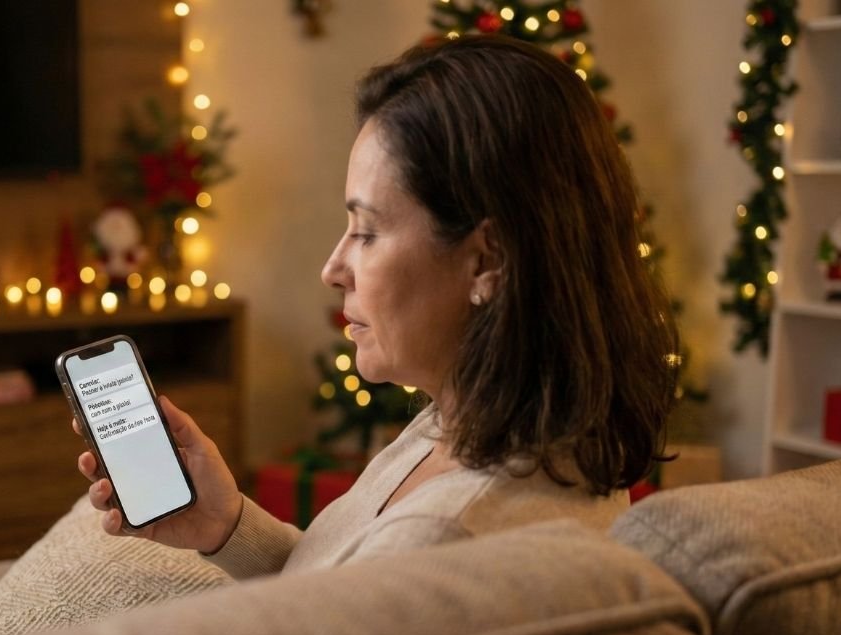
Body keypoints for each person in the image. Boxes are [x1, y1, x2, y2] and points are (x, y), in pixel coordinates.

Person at [73, 34, 678, 580]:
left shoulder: (447, 537)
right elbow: (337, 595)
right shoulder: (465, 423)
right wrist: (227, 525)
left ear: (487, 261)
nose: (333, 269)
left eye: (365, 232)